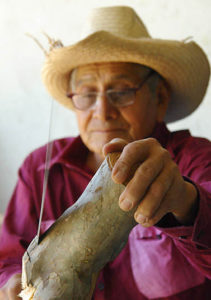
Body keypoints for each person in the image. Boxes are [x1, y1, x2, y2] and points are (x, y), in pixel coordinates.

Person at [0, 5, 211, 300]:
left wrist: (184, 200)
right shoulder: (40, 169)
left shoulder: (196, 159)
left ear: (160, 98)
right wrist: (10, 284)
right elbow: (8, 258)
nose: (103, 112)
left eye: (122, 91)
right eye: (87, 94)